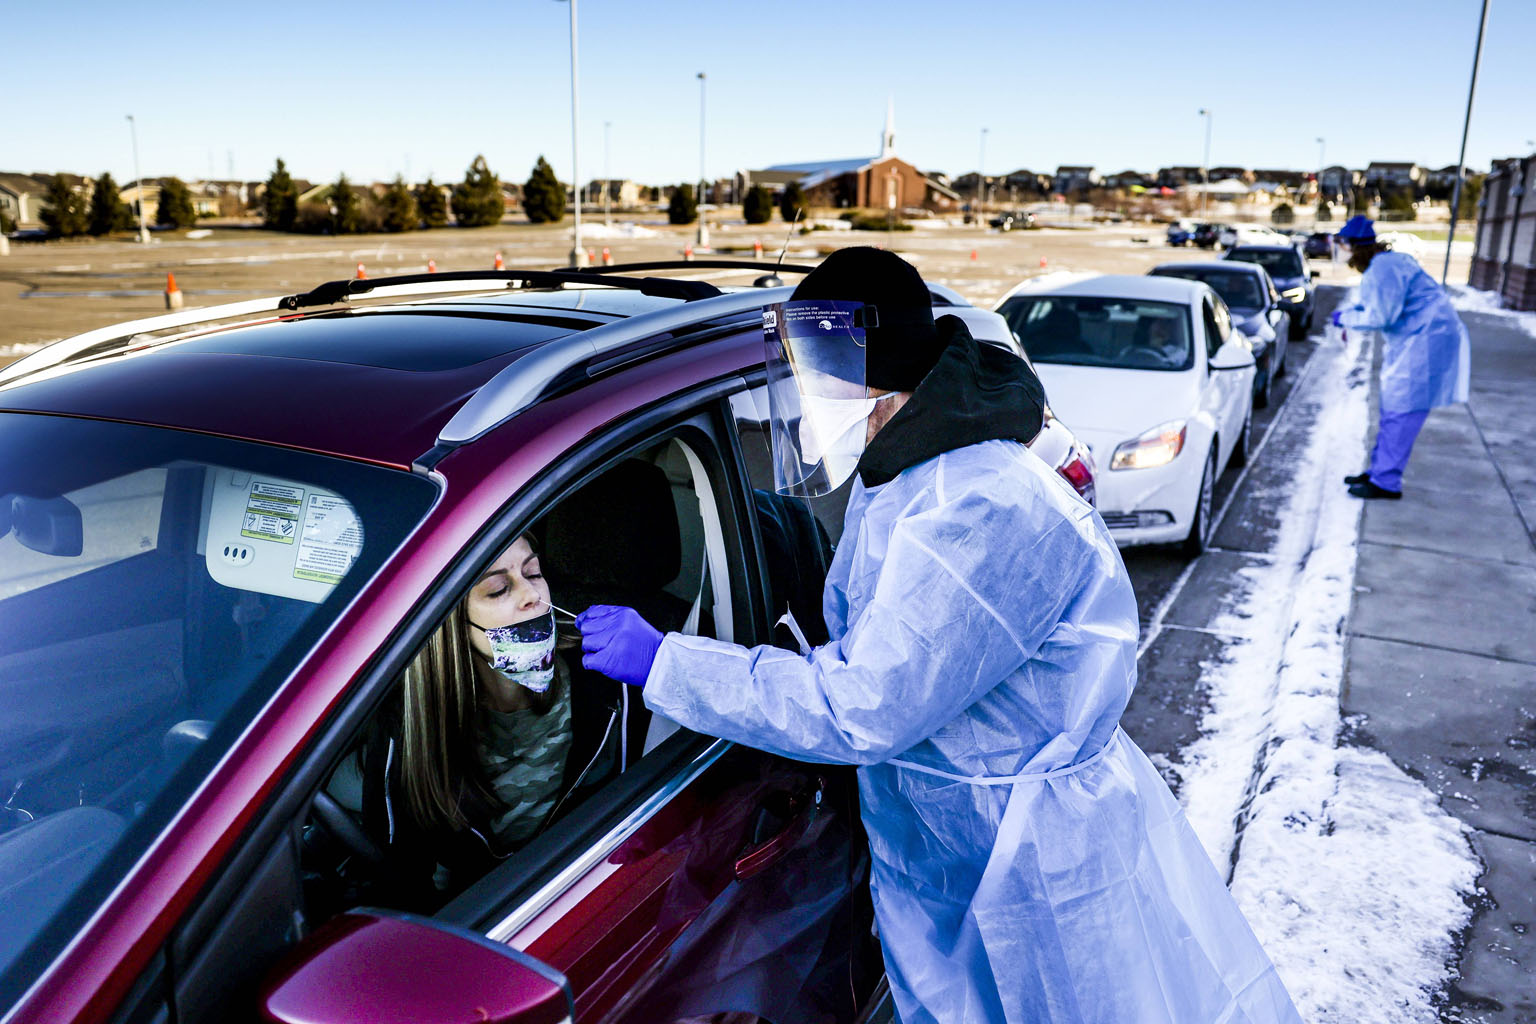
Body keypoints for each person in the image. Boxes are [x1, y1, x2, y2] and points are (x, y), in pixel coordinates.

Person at [576, 247, 1301, 1023]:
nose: (806, 410)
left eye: (821, 385)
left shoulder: (974, 508)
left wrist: (670, 662)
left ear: (880, 385)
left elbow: (865, 704)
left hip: (1030, 868)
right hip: (963, 841)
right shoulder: (914, 474)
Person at [335, 532, 608, 910]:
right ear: (453, 622)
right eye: (497, 590)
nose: (532, 595)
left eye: (533, 573)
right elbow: (402, 884)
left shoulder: (602, 681)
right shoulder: (409, 725)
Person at [1331, 215, 1471, 499]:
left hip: (1425, 343)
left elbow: (1380, 315)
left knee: (1401, 409)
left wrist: (1344, 317)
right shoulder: (1386, 264)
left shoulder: (1383, 268)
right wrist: (1350, 316)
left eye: (1343, 245)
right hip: (1417, 339)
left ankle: (1386, 481)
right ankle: (1379, 470)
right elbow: (1378, 306)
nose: (1341, 252)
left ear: (1356, 246)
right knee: (1393, 407)